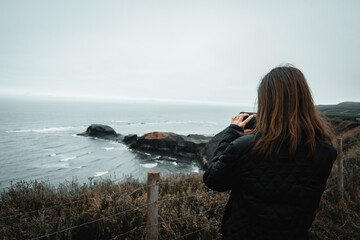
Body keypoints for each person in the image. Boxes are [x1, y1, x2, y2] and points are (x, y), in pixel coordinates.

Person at [203, 65, 337, 240]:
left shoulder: (244, 147)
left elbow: (213, 179)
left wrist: (232, 133)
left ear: (266, 104)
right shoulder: (325, 152)